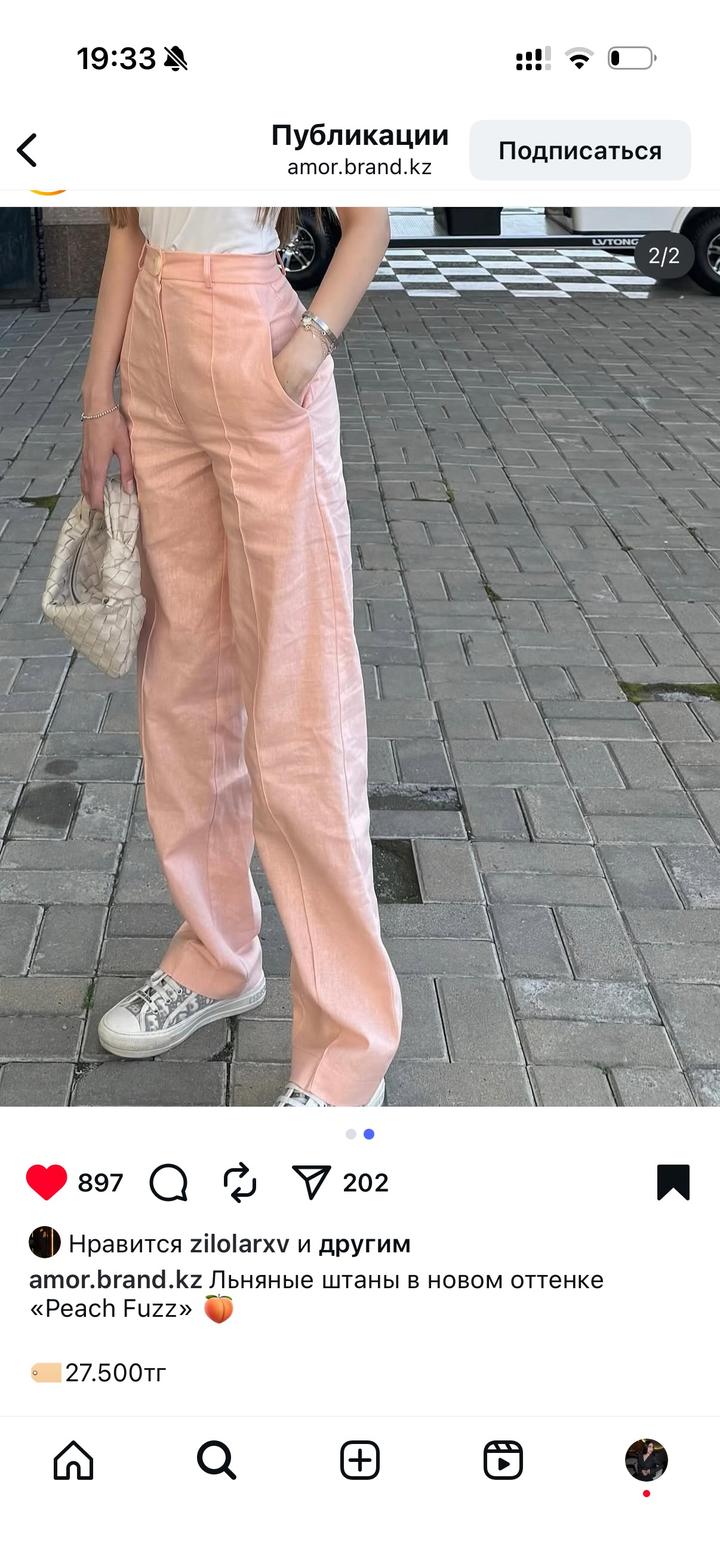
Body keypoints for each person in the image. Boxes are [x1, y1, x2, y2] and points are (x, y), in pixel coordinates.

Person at [80, 206, 402, 1107]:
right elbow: (125, 228)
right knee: (181, 688)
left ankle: (349, 1047)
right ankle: (218, 955)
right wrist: (99, 395)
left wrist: (304, 353)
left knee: (298, 708)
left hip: (257, 349)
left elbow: (369, 221)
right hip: (153, 351)